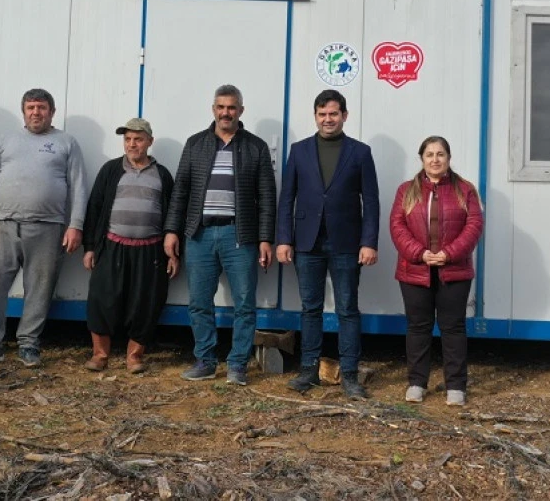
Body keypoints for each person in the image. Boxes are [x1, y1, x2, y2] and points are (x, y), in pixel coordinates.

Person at [0, 88, 87, 368]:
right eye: (30, 107)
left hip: (49, 228)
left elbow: (79, 188)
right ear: (23, 111)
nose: (35, 112)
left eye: (41, 107)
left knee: (39, 289)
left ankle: (29, 345)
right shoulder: (6, 140)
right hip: (4, 225)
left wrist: (75, 225)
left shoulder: (66, 142)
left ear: (52, 112)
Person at [164, 84, 276, 386]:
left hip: (239, 235)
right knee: (199, 302)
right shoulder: (195, 144)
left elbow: (267, 196)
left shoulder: (256, 147)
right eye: (221, 107)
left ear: (241, 110)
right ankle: (206, 360)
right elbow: (181, 192)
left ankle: (238, 364)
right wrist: (172, 231)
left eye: (232, 107)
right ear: (213, 109)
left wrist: (266, 238)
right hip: (199, 235)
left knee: (244, 303)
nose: (226, 112)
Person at [276, 90, 379, 399]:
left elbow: (371, 203)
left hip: (347, 242)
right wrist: (284, 239)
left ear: (344, 116)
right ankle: (308, 370)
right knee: (311, 308)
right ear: (315, 116)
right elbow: (286, 201)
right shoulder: (299, 150)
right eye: (322, 114)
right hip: (307, 242)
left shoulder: (360, 153)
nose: (328, 119)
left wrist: (369, 242)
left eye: (333, 113)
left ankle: (349, 375)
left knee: (347, 309)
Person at [389, 135, 484, 406]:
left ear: (449, 158)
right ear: (421, 158)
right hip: (414, 270)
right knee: (418, 328)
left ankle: (456, 386)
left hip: (453, 270)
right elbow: (397, 226)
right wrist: (419, 253)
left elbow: (474, 225)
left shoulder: (464, 190)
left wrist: (449, 254)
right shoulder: (406, 190)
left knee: (453, 328)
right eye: (429, 154)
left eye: (440, 154)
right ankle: (417, 382)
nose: (435, 159)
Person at [80, 118, 178, 373]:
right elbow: (95, 208)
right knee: (102, 300)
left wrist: (174, 254)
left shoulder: (163, 174)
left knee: (145, 303)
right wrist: (90, 247)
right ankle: (100, 355)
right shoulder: (111, 170)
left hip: (151, 250)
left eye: (138, 139)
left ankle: (134, 358)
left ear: (149, 142)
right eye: (127, 139)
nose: (132, 144)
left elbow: (173, 214)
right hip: (112, 246)